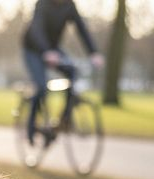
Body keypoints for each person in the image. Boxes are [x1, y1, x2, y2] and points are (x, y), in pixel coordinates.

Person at [22, 0, 105, 145]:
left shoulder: (69, 6)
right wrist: (46, 51)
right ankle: (30, 128)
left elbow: (82, 29)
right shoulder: (42, 4)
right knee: (41, 87)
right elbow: (37, 29)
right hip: (33, 49)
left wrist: (94, 53)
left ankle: (64, 120)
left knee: (72, 71)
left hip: (53, 49)